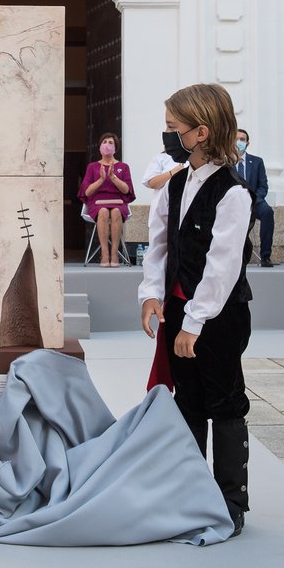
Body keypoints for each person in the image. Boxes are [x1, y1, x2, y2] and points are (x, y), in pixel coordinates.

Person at [138, 83, 253, 538]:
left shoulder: (233, 192)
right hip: (177, 309)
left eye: (174, 127)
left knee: (223, 402)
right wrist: (151, 292)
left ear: (201, 132)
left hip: (218, 317)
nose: (168, 135)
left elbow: (223, 267)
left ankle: (231, 501)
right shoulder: (175, 184)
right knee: (186, 401)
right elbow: (160, 246)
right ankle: (190, 492)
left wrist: (195, 323)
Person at [79, 132, 136, 266]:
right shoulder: (92, 167)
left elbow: (126, 190)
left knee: (116, 212)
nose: (107, 145)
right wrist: (101, 179)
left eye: (111, 143)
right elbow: (87, 191)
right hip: (97, 203)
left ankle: (114, 253)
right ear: (100, 147)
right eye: (104, 142)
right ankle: (104, 253)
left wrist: (113, 177)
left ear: (115, 148)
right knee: (103, 211)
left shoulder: (123, 167)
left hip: (118, 202)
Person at [235, 129, 275, 267]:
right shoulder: (225, 161)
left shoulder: (257, 162)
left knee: (267, 212)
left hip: (254, 202)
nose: (239, 142)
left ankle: (265, 256)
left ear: (247, 143)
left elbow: (263, 185)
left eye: (242, 139)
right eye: (236, 139)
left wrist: (253, 200)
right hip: (233, 202)